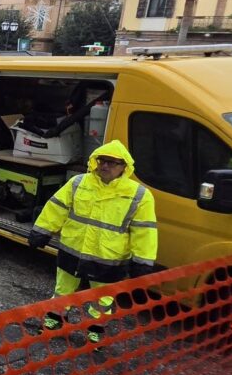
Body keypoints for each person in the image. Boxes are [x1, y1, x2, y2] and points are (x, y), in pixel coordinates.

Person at [28, 140, 157, 343]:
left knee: (102, 299)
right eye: (102, 160)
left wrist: (142, 261)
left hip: (108, 257)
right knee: (62, 290)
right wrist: (41, 231)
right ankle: (55, 320)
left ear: (125, 167)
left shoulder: (139, 195)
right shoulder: (79, 182)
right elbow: (57, 206)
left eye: (112, 162)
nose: (105, 166)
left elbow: (145, 231)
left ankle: (95, 330)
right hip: (73, 249)